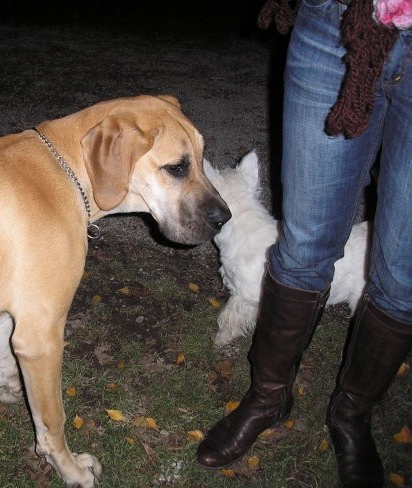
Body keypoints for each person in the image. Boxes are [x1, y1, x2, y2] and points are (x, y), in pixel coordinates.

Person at [196, 0, 412, 486]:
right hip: (336, 20)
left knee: (402, 277)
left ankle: (351, 416)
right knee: (302, 250)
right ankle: (269, 398)